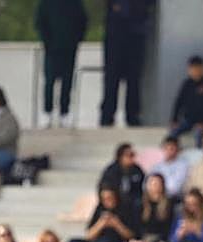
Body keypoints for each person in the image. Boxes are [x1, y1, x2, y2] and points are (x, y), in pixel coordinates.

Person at [35, 0, 87, 128]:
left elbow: (83, 21)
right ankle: (47, 112)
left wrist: (76, 40)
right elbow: (40, 22)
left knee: (67, 81)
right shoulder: (46, 3)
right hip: (51, 48)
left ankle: (65, 112)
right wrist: (47, 41)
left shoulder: (75, 3)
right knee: (50, 81)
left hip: (69, 47)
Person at [101, 0, 153, 126]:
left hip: (136, 33)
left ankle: (132, 115)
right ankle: (107, 115)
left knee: (134, 78)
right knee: (111, 78)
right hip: (115, 34)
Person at [123, 173, 174, 242]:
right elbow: (136, 226)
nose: (154, 187)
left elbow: (167, 230)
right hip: (142, 240)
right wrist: (136, 241)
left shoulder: (169, 205)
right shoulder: (140, 204)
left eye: (157, 184)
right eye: (151, 184)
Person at [169, 56, 203, 148]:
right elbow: (179, 102)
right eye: (193, 69)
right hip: (188, 120)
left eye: (198, 69)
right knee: (173, 133)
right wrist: (174, 120)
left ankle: (199, 157)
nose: (195, 71)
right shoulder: (186, 84)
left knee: (198, 135)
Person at [98, 143, 145, 213]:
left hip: (133, 202)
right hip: (116, 201)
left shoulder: (137, 170)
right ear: (120, 156)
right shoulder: (111, 171)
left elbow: (142, 186)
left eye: (133, 155)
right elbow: (104, 188)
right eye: (129, 155)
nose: (131, 158)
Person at [150, 136, 189, 201]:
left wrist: (159, 190)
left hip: (173, 198)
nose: (168, 151)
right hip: (155, 196)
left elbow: (175, 188)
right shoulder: (157, 166)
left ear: (178, 150)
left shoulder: (183, 165)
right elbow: (147, 182)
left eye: (171, 149)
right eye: (166, 148)